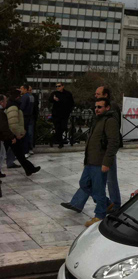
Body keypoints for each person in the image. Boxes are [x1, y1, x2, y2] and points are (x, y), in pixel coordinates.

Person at [61, 98, 119, 227]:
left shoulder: (110, 121)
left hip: (100, 162)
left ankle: (99, 215)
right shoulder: (97, 120)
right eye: (96, 107)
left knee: (99, 189)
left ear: (107, 108)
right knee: (84, 183)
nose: (97, 109)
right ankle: (106, 203)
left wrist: (107, 162)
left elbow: (113, 143)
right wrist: (86, 160)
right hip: (90, 161)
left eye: (100, 107)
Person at [5, 90, 40, 176]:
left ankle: (29, 169)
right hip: (12, 135)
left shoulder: (14, 106)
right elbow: (13, 123)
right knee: (18, 153)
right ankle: (30, 169)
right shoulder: (13, 107)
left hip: (12, 134)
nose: (21, 98)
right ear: (17, 97)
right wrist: (17, 134)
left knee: (19, 154)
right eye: (20, 96)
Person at [49, 82, 74, 148]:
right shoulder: (54, 93)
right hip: (56, 114)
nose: (57, 87)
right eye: (56, 86)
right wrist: (53, 99)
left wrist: (69, 111)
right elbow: (50, 100)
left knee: (63, 127)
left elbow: (71, 103)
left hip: (64, 114)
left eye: (59, 86)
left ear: (63, 86)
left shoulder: (68, 94)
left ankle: (54, 139)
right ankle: (60, 143)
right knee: (57, 128)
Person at [0, 95, 18, 178]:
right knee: (1, 155)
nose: (6, 103)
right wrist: (11, 137)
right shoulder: (1, 113)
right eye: (5, 101)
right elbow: (4, 127)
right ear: (1, 102)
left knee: (2, 154)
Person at [18, 85, 34, 158]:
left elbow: (22, 107)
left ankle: (25, 151)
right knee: (27, 133)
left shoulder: (24, 97)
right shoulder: (31, 96)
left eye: (21, 88)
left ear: (25, 89)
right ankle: (27, 150)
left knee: (24, 134)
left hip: (24, 117)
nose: (20, 90)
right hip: (29, 116)